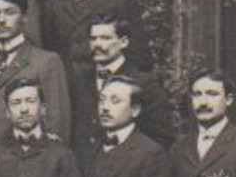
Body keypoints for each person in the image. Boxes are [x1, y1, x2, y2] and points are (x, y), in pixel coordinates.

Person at [70, 15, 173, 163]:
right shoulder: (79, 81)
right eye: (93, 39)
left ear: (123, 42)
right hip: (86, 172)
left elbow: (161, 138)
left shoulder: (145, 84)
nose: (97, 44)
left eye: (105, 38)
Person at [0, 0, 69, 148]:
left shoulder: (46, 61)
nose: (2, 20)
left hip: (27, 160)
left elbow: (57, 123)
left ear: (24, 17)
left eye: (10, 12)